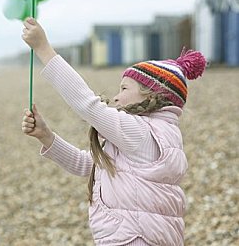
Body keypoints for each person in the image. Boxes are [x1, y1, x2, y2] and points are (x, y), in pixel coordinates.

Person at [20, 17, 206, 245]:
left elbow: (87, 104)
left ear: (153, 95)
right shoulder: (150, 134)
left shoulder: (140, 132)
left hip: (134, 238)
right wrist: (46, 136)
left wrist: (43, 49)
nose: (117, 96)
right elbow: (86, 165)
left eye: (125, 88)